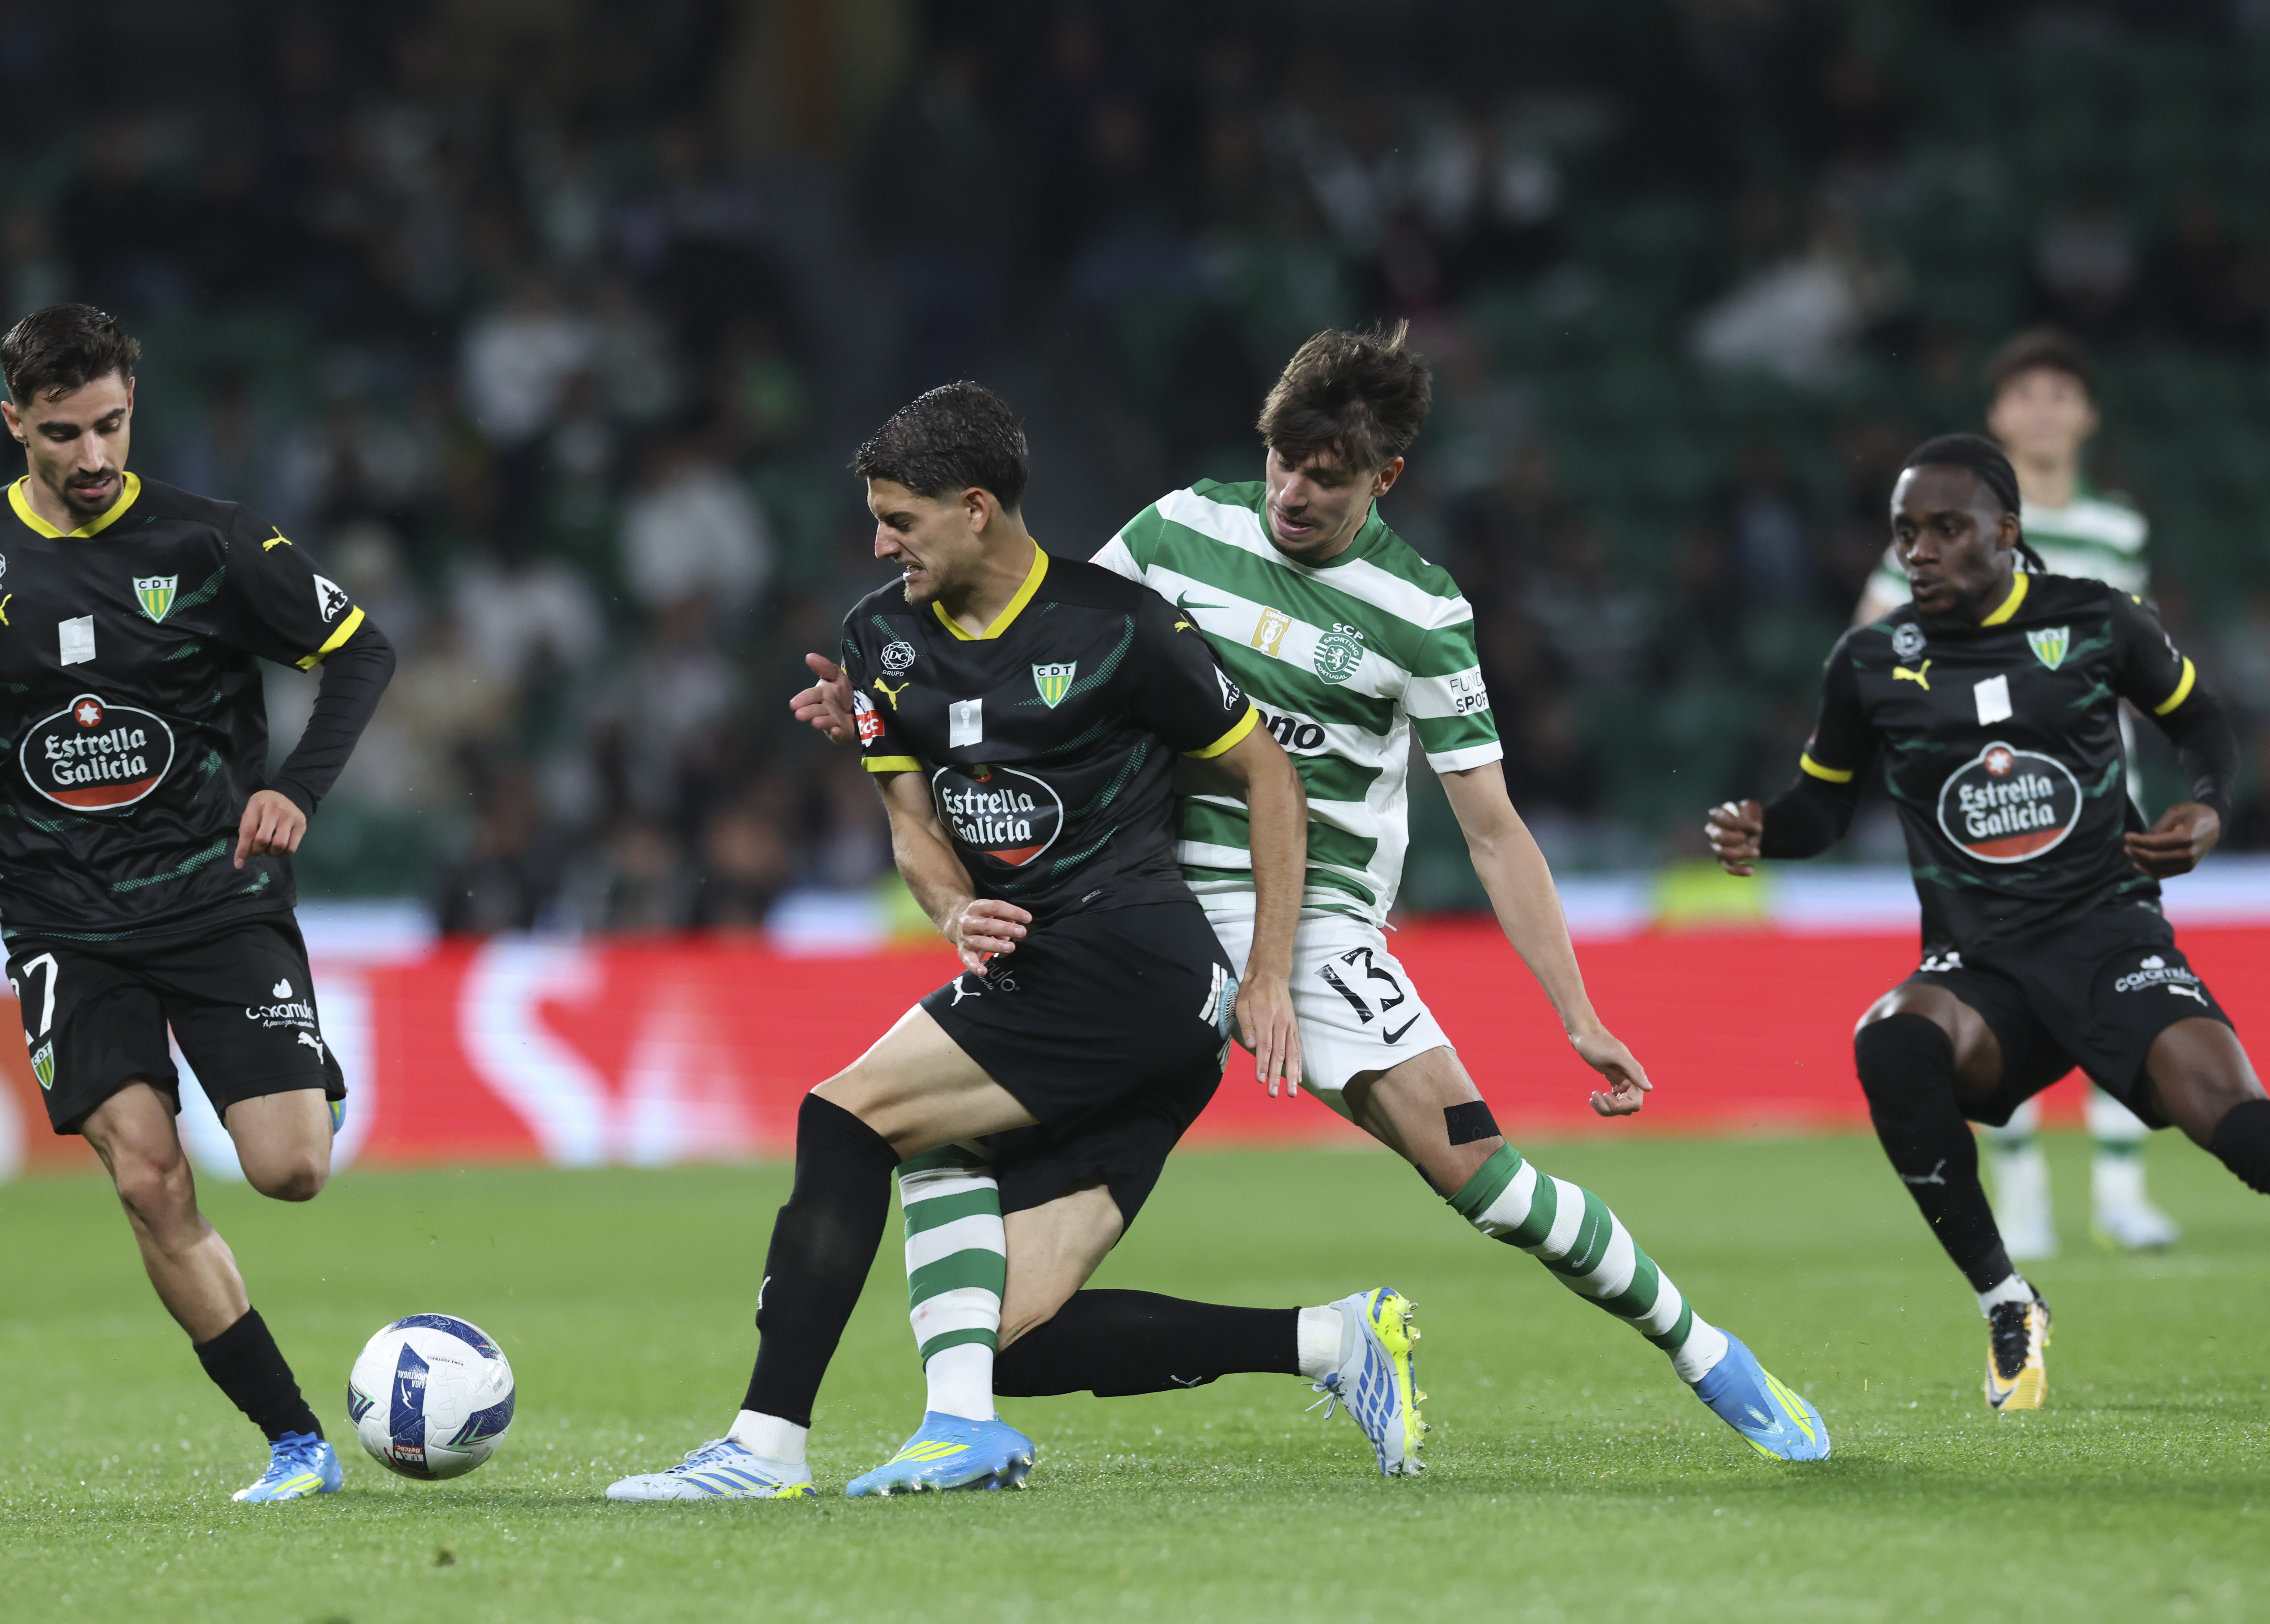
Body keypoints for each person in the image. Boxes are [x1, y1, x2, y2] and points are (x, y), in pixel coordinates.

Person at [795, 328, 1829, 1473]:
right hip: (1126, 908)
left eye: (1326, 475)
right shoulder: (1180, 528)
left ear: (1385, 477)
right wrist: (889, 705)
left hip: (1310, 914)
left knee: (1478, 1178)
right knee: (1003, 1321)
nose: (1293, 491)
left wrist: (1572, 1013)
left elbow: (1491, 831)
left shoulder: (1420, 611)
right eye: (1282, 460)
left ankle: (1703, 1349)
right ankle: (1218, 1368)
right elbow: (1042, 653)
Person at [605, 382, 1313, 1501]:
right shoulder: (877, 640)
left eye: (901, 521)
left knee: (844, 1120)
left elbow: (1267, 774)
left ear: (976, 506)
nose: (881, 545)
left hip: (1134, 962)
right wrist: (947, 910)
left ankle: (765, 1444)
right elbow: (911, 826)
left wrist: (1268, 970)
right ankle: (1325, 1344)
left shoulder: (1117, 626)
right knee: (1014, 1331)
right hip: (1046, 970)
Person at [0, 304, 395, 1500]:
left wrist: (296, 792)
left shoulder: (214, 542)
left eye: (111, 423)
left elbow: (361, 652)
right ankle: (296, 1443)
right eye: (63, 432)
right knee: (148, 1180)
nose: (95, 454)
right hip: (61, 919)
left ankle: (298, 1430)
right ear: (15, 423)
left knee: (290, 1169)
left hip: (217, 897)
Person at [1707, 434, 2262, 1412]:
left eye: (1945, 529)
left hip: (2110, 942)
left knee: (2241, 1131)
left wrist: (2209, 809)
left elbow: (2200, 720)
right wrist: (1764, 830)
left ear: (2005, 534)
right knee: (1890, 1041)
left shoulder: (2094, 621)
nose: (1917, 552)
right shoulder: (1871, 662)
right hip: (1981, 967)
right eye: (1904, 533)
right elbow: (1821, 808)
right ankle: (2007, 1300)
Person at [1854, 330, 2175, 1257]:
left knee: (2122, 967)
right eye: (2023, 394)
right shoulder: (1947, 518)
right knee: (1997, 984)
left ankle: (2120, 1190)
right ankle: (2026, 1192)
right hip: (1979, 799)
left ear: (2085, 415)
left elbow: (2134, 655)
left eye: (2059, 394)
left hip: (2098, 791)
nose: (2041, 409)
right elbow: (1874, 630)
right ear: (1996, 415)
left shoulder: (2117, 530)